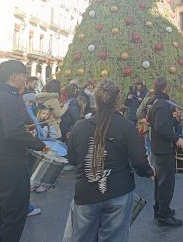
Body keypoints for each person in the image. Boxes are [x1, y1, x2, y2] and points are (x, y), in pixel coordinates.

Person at [63, 79, 153, 241]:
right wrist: (148, 172)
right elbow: (139, 161)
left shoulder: (79, 126)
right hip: (118, 190)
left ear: (95, 101)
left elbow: (73, 159)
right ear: (118, 101)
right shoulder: (127, 127)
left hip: (86, 191)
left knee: (81, 237)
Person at [0, 60, 46, 242]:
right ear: (13, 76)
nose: (25, 78)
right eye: (24, 74)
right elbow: (12, 133)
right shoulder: (10, 99)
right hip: (10, 166)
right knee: (14, 216)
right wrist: (38, 143)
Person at [148, 76, 183, 226]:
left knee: (160, 182)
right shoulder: (162, 104)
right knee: (166, 184)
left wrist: (175, 120)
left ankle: (160, 209)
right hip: (164, 149)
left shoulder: (155, 102)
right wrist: (176, 139)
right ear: (165, 87)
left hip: (158, 148)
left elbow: (159, 123)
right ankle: (164, 215)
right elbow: (161, 127)